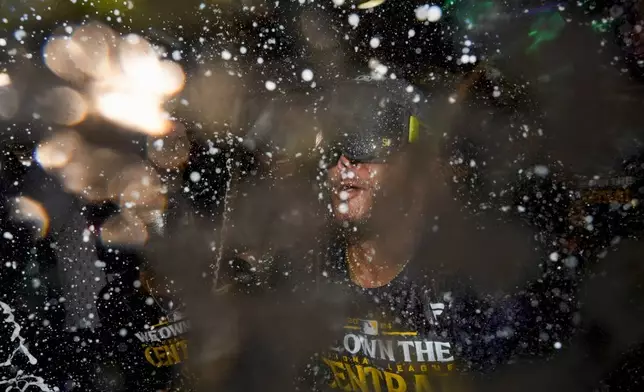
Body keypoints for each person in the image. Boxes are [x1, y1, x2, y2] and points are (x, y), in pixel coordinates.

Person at [294, 76, 591, 392]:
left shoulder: (487, 288)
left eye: (367, 136)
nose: (342, 163)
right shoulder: (302, 276)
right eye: (332, 143)